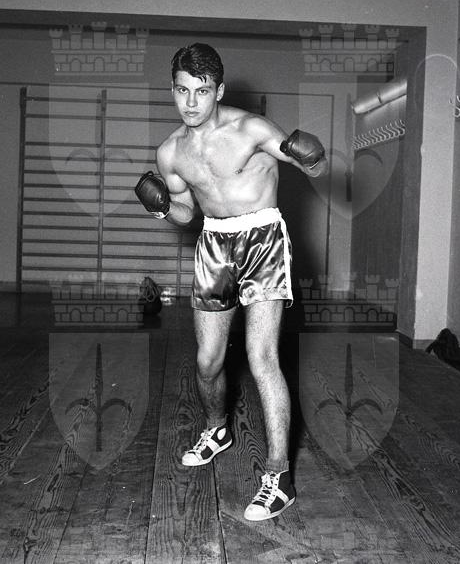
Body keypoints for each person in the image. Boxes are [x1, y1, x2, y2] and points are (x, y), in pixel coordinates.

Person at [135, 43, 328, 521]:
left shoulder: (252, 129)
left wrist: (313, 156)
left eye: (201, 91)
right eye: (182, 90)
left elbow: (313, 165)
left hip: (262, 237)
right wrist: (163, 207)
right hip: (214, 243)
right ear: (173, 90)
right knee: (208, 361)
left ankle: (279, 477)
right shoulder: (170, 152)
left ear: (219, 91)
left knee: (262, 357)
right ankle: (218, 428)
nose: (191, 102)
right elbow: (186, 213)